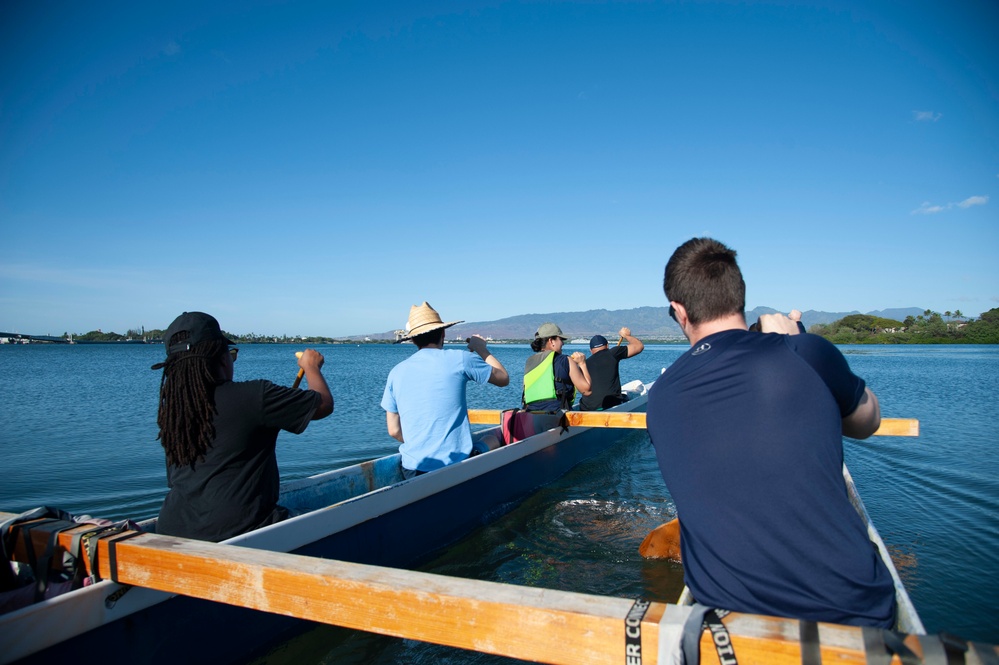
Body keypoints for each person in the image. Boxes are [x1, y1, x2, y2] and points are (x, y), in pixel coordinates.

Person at [646, 238, 895, 627]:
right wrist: (797, 340)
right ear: (739, 298)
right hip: (851, 613)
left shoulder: (660, 396)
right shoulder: (804, 353)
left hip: (732, 624)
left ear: (678, 311)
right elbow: (869, 422)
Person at [153, 311, 333, 541]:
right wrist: (311, 367)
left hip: (172, 529)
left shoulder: (176, 410)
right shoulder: (254, 397)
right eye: (231, 354)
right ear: (219, 357)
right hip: (241, 531)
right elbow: (324, 404)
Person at [382, 302, 509, 479]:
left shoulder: (396, 372)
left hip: (411, 468)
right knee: (493, 439)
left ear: (412, 339)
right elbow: (503, 378)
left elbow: (394, 431)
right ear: (443, 333)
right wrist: (481, 348)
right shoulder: (460, 359)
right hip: (455, 465)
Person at [522, 322, 591, 412]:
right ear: (551, 341)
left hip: (532, 416)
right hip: (557, 416)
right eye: (561, 339)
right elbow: (587, 391)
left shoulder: (529, 362)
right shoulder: (565, 360)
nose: (563, 343)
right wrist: (582, 364)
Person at [578, 328, 644, 411]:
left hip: (587, 407)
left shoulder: (583, 364)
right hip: (610, 404)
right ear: (607, 345)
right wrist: (626, 336)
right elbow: (639, 346)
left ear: (591, 350)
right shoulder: (613, 353)